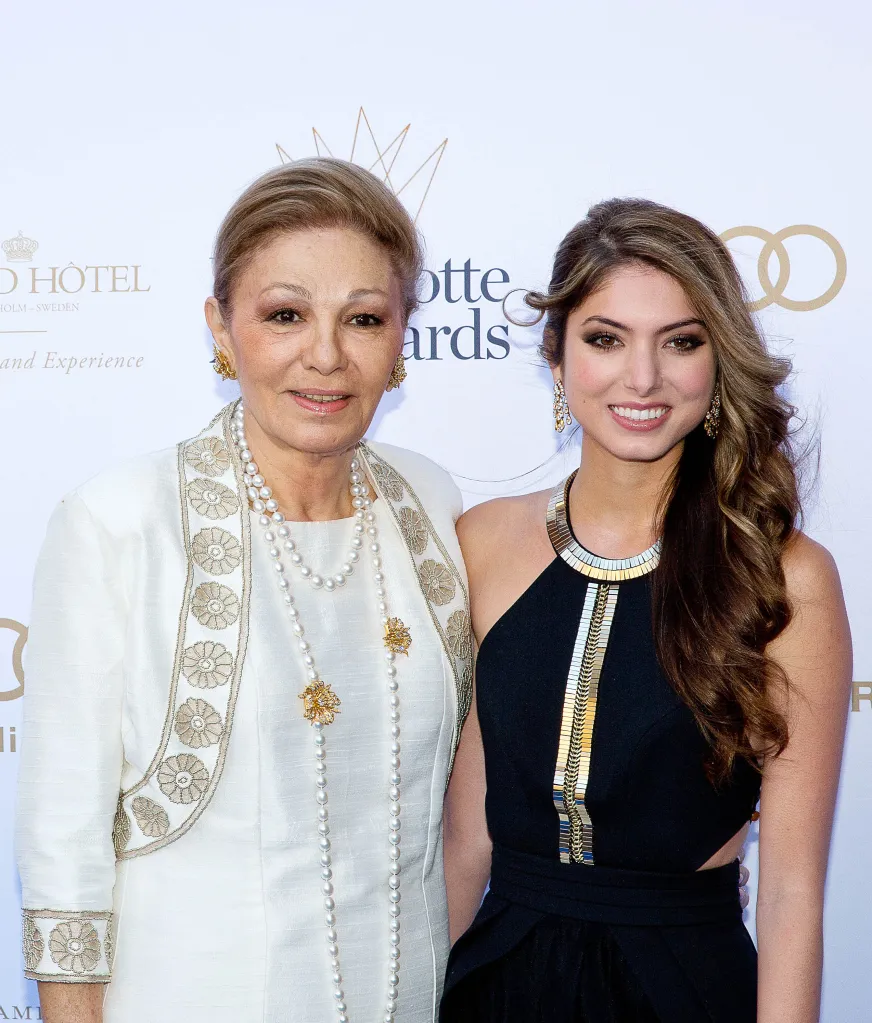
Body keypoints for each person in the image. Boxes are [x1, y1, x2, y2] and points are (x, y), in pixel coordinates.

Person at [16, 158, 474, 1023]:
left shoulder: (432, 504)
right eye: (285, 314)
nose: (327, 354)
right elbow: (62, 842)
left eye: (364, 318)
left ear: (403, 335)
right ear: (220, 329)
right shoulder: (120, 519)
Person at [440, 199, 851, 1023]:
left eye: (681, 341)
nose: (642, 378)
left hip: (685, 987)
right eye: (605, 338)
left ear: (717, 359)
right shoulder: (482, 542)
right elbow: (465, 845)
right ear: (556, 357)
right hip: (497, 983)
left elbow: (792, 893)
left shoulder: (783, 576)